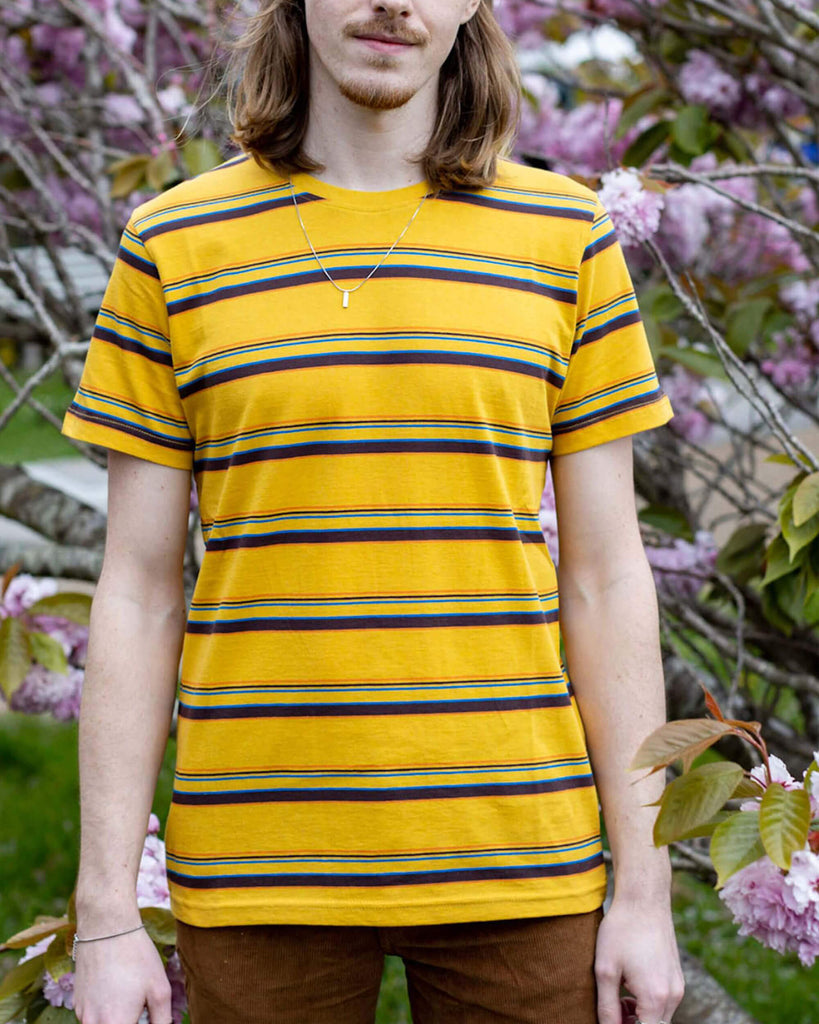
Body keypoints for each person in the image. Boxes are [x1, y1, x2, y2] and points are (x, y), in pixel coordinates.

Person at [63, 1, 685, 1022]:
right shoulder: (171, 243)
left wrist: (646, 890)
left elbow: (607, 575)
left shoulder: (567, 237)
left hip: (523, 859)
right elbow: (135, 589)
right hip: (256, 868)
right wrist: (105, 911)